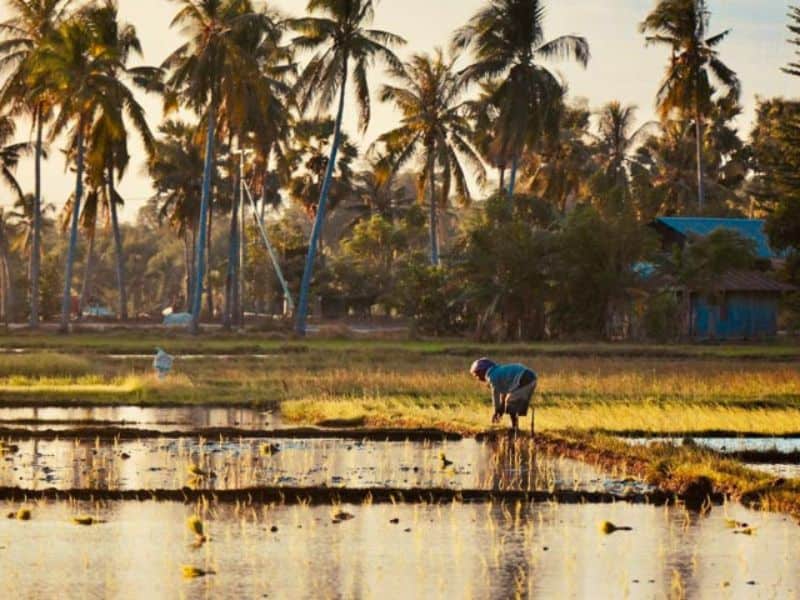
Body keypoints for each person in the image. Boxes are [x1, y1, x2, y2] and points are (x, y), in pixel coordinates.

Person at [470, 358, 537, 433]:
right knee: (511, 403)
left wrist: (496, 411)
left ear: (482, 371)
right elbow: (503, 394)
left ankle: (515, 429)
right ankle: (515, 428)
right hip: (530, 377)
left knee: (511, 403)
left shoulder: (491, 376)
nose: (478, 378)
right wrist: (501, 409)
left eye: (476, 375)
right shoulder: (498, 372)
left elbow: (495, 395)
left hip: (524, 378)